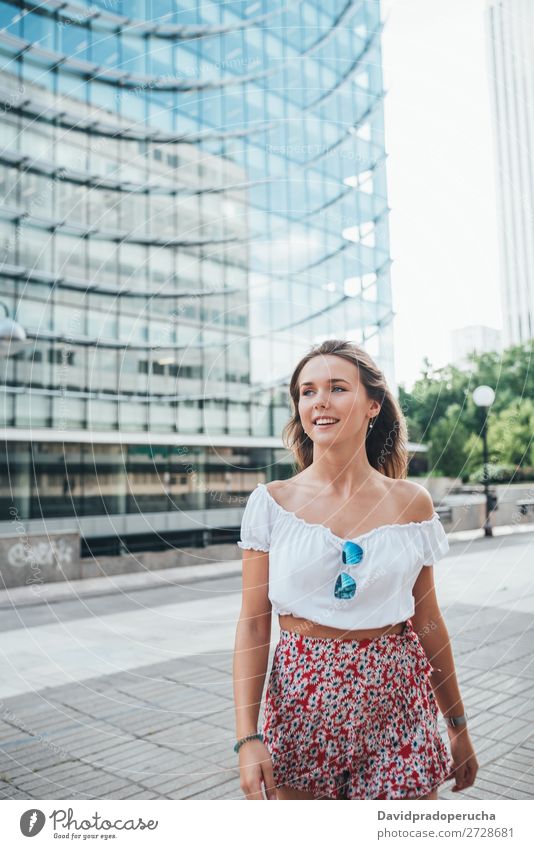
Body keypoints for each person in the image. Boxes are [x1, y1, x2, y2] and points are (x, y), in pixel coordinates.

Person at [232, 339, 478, 800]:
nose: (319, 401)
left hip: (399, 708)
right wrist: (248, 738)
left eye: (337, 388)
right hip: (302, 712)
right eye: (307, 392)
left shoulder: (412, 503)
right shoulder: (271, 504)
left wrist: (458, 727)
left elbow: (427, 622)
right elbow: (251, 626)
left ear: (373, 404)